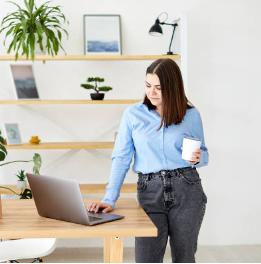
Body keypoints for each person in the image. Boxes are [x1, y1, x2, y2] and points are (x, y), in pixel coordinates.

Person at [87, 58, 209, 263]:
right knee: (146, 259)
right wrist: (109, 198)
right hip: (149, 191)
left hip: (187, 188)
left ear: (173, 87)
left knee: (184, 258)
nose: (151, 92)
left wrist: (199, 157)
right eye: (148, 85)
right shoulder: (133, 114)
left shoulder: (191, 115)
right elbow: (121, 158)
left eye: (159, 88)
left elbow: (203, 154)